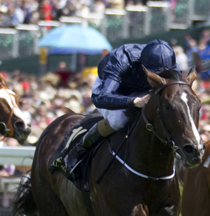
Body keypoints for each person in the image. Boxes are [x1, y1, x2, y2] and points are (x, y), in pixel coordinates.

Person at [51, 39, 180, 173]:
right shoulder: (122, 59)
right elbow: (100, 97)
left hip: (141, 90)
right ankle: (78, 149)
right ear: (143, 66)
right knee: (119, 119)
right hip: (110, 89)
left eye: (163, 75)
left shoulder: (170, 65)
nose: (158, 79)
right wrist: (133, 101)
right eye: (154, 75)